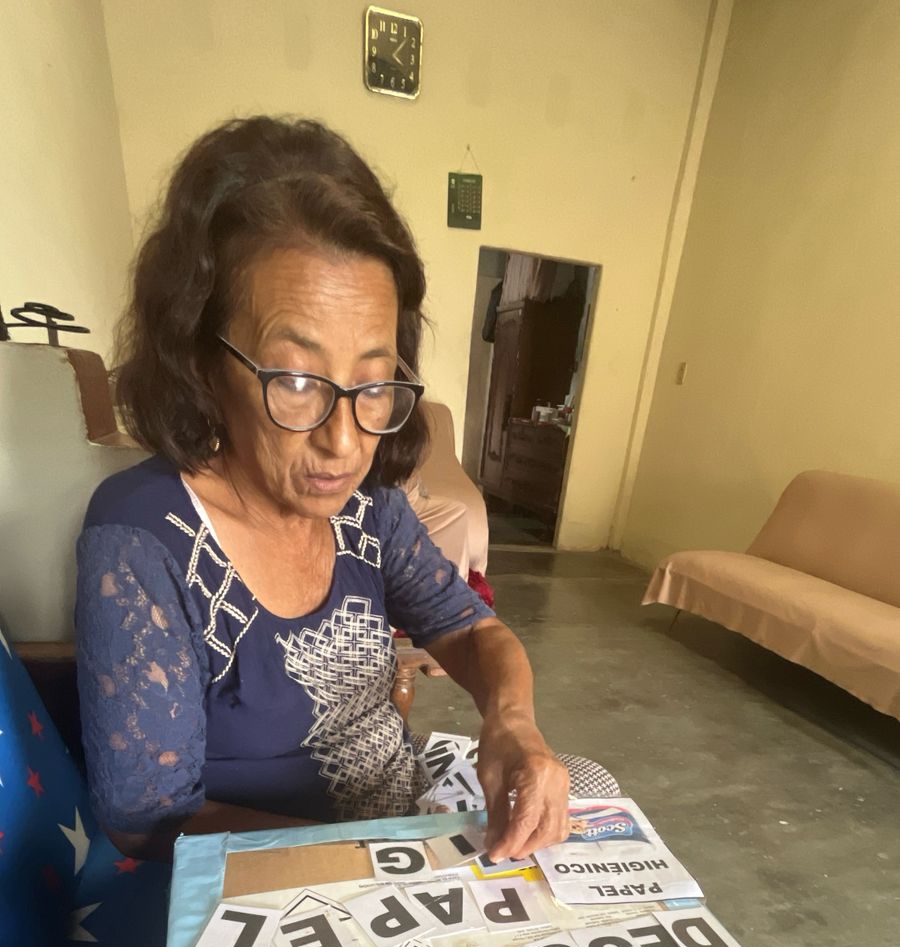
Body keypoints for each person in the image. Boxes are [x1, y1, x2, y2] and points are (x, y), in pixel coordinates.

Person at [76, 116, 616, 865]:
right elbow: (147, 822)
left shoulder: (368, 507)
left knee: (584, 796)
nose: (345, 442)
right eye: (296, 381)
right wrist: (380, 857)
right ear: (200, 359)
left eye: (373, 383)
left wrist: (513, 724)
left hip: (399, 812)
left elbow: (470, 629)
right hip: (270, 868)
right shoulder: (143, 538)